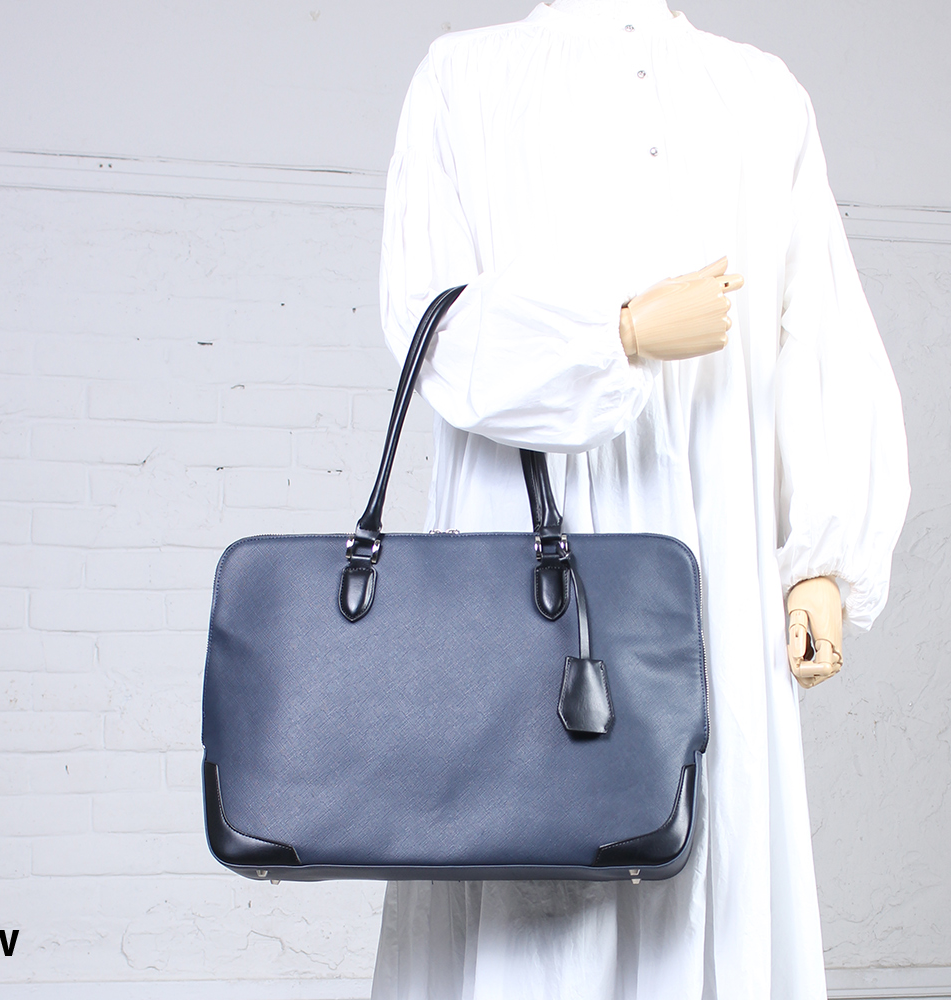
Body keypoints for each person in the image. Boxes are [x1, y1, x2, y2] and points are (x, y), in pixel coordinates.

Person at [371, 1, 910, 997]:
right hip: (526, 534)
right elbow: (428, 322)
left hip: (714, 537)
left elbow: (819, 323)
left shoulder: (759, 90)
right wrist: (611, 335)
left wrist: (823, 556)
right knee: (529, 832)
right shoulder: (464, 76)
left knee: (706, 827)